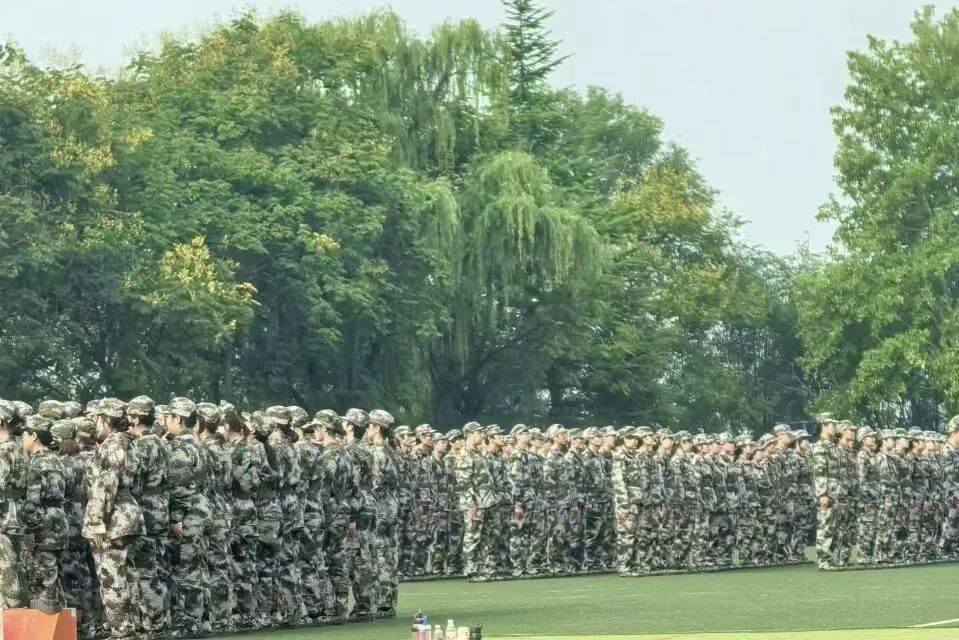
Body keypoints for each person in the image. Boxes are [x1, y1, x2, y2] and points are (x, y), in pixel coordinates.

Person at [85, 398, 145, 640]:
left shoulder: (110, 445)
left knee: (111, 578)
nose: (95, 424)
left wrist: (95, 522)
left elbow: (105, 486)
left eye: (98, 419)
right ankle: (132, 628)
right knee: (129, 577)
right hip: (129, 512)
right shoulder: (130, 444)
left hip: (113, 518)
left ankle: (122, 632)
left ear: (106, 420)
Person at [162, 398, 211, 638]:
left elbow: (180, 486)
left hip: (188, 513)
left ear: (178, 419)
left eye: (168, 418)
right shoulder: (197, 442)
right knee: (198, 568)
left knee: (186, 569)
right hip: (200, 508)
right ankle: (202, 619)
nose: (166, 422)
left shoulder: (181, 445)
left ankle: (189, 623)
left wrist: (176, 517)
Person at [127, 395, 171, 638]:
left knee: (145, 571)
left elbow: (133, 480)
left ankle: (152, 623)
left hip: (146, 509)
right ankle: (162, 619)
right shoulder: (162, 442)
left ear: (136, 418)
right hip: (161, 507)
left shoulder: (141, 445)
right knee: (159, 567)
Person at [21, 416, 68, 613]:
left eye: (24, 434)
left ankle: (45, 622)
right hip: (59, 519)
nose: (22, 439)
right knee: (55, 578)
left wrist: (28, 529)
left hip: (42, 523)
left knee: (41, 581)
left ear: (33, 436)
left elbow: (32, 500)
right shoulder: (57, 460)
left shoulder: (36, 463)